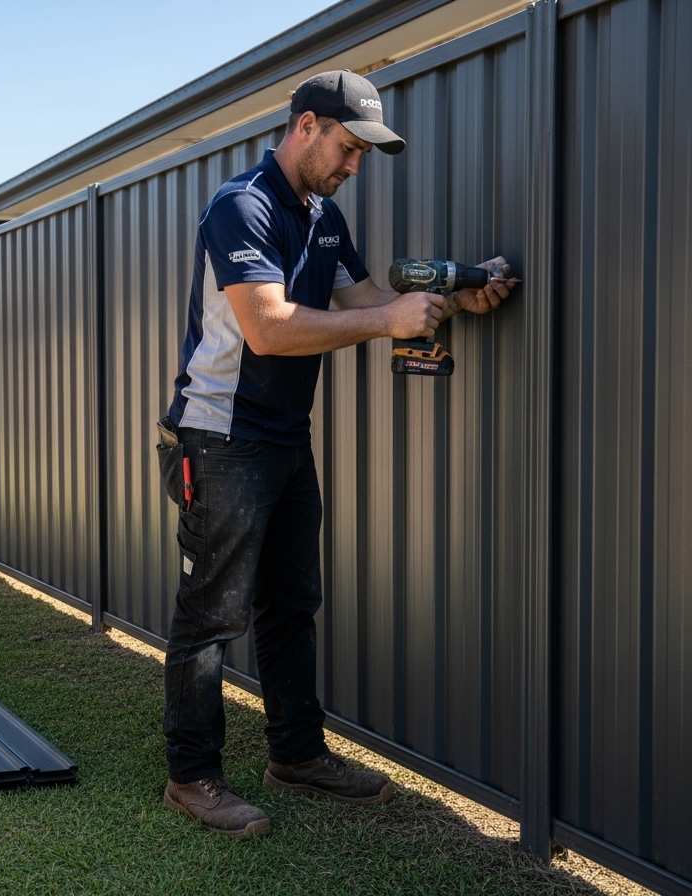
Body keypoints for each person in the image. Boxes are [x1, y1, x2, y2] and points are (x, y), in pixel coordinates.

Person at [157, 70, 516, 839]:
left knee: (291, 606)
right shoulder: (241, 207)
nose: (354, 168)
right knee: (212, 614)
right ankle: (191, 775)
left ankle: (296, 753)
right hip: (220, 439)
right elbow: (271, 328)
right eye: (349, 149)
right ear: (308, 126)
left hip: (285, 439)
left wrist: (456, 288)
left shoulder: (323, 215)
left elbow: (359, 300)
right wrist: (391, 317)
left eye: (362, 156)